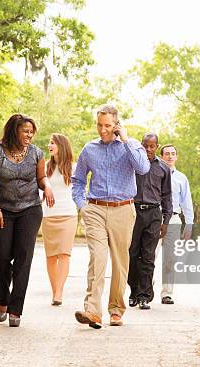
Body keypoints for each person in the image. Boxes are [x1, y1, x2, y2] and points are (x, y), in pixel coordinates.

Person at [72, 104, 150, 329]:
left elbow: (143, 168)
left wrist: (125, 139)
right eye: (99, 125)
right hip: (95, 208)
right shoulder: (89, 149)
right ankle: (92, 311)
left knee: (119, 261)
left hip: (123, 209)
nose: (103, 130)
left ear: (116, 124)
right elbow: (78, 180)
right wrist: (82, 206)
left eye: (107, 125)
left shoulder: (131, 146)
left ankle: (116, 309)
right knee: (98, 258)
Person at [0, 114, 54, 327]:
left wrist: (47, 186)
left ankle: (16, 309)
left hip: (30, 210)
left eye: (32, 132)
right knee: (2, 258)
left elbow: (41, 178)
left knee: (23, 259)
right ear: (14, 130)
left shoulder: (36, 153)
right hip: (2, 211)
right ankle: (3, 300)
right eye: (25, 131)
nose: (29, 135)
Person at [127, 132, 172, 310]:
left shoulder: (163, 168)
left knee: (148, 257)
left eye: (152, 146)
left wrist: (165, 221)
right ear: (141, 145)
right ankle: (133, 292)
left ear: (157, 147)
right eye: (145, 145)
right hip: (133, 212)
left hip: (154, 214)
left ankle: (145, 295)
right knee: (131, 255)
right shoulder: (133, 165)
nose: (148, 149)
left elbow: (167, 196)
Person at [41, 133, 77, 306]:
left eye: (53, 143)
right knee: (50, 256)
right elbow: (39, 190)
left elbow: (79, 191)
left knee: (64, 253)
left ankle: (59, 292)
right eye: (49, 142)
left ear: (61, 146)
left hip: (68, 214)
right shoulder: (45, 167)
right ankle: (54, 289)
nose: (50, 145)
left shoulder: (73, 167)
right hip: (49, 215)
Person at [159, 144, 194, 305]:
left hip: (173, 219)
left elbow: (187, 202)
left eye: (173, 154)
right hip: (155, 218)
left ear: (176, 157)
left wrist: (189, 224)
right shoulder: (154, 173)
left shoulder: (181, 178)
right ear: (161, 156)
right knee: (148, 257)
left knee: (170, 258)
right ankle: (145, 291)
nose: (170, 156)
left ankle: (167, 293)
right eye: (167, 154)